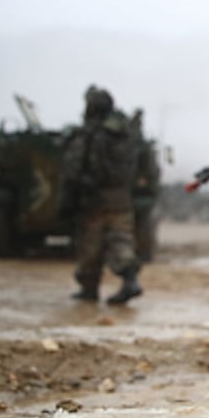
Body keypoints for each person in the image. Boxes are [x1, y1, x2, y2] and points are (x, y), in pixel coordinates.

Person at [59, 85, 143, 305]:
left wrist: (69, 197)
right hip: (121, 198)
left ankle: (89, 288)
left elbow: (73, 168)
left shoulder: (91, 133)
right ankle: (130, 280)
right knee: (121, 240)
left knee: (91, 244)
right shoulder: (125, 134)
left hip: (94, 199)